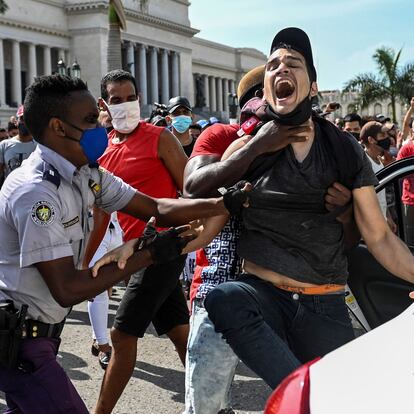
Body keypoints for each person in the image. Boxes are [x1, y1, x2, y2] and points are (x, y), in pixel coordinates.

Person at [0, 74, 240, 413]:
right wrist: (149, 254)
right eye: (89, 120)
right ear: (58, 127)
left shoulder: (87, 173)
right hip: (20, 343)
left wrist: (222, 204)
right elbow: (67, 288)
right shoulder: (36, 193)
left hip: (39, 336)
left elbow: (156, 207)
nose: (100, 126)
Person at [202, 27, 414, 391]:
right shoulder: (247, 149)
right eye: (273, 66)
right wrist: (147, 248)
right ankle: (301, 395)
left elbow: (378, 236)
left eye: (293, 64)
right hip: (262, 295)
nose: (281, 70)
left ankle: (307, 396)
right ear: (266, 86)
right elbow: (207, 218)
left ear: (312, 86)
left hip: (323, 303)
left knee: (343, 398)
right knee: (223, 299)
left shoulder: (344, 149)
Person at [91, 70, 229, 414]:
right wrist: (87, 259)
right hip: (133, 252)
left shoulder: (159, 138)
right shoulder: (103, 149)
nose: (125, 106)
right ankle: (214, 405)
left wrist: (196, 226)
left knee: (122, 336)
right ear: (103, 104)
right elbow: (100, 213)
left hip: (163, 247)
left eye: (130, 98)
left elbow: (191, 187)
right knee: (178, 330)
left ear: (140, 98)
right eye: (117, 100)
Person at [360, 121, 396, 230]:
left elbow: (381, 195)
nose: (387, 138)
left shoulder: (379, 160)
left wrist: (388, 217)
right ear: (371, 140)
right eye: (383, 135)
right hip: (372, 226)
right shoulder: (364, 163)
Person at [0, 105, 37, 184]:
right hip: (11, 193)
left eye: (28, 119)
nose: (25, 122)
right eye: (22, 119)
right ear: (16, 122)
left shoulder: (40, 146)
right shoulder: (4, 145)